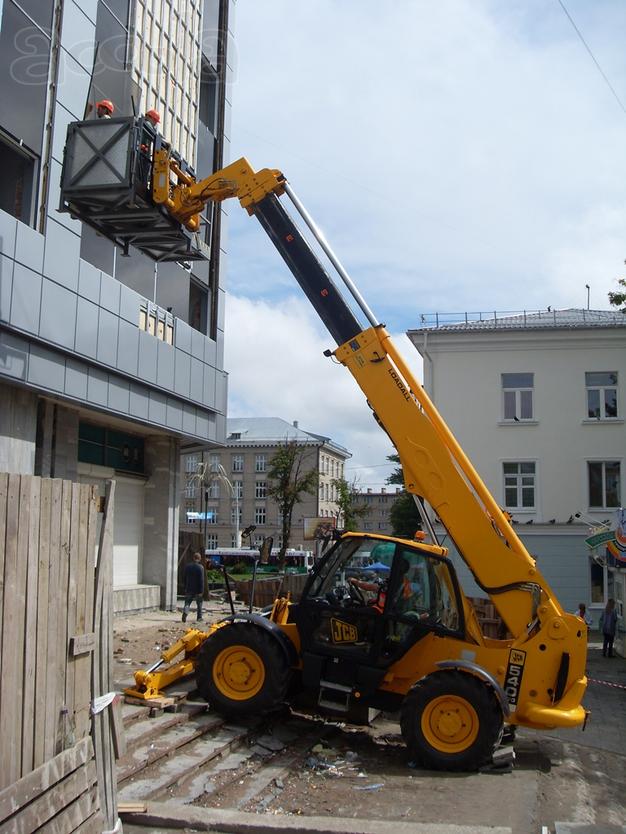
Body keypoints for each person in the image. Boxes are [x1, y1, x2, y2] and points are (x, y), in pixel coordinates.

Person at [182, 552, 205, 623]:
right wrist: (201, 590)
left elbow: (184, 578)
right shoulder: (200, 567)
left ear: (193, 558)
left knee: (187, 602)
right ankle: (199, 617)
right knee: (199, 603)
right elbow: (201, 580)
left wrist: (185, 587)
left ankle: (185, 612)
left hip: (189, 588)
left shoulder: (187, 566)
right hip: (198, 589)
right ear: (199, 559)